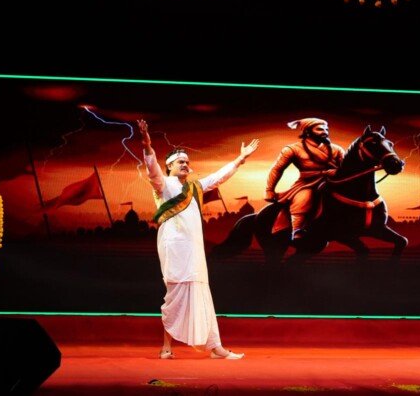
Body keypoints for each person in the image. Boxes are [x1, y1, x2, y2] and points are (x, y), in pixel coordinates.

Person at [138, 119, 259, 360]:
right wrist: (147, 143)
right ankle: (166, 347)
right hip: (174, 247)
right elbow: (152, 168)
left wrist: (240, 159)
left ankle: (216, 347)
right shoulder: (163, 184)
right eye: (180, 162)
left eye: (187, 162)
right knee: (174, 296)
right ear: (169, 166)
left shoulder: (195, 186)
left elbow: (218, 177)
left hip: (194, 249)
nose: (185, 165)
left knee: (202, 292)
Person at [265, 118, 345, 240]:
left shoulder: (336, 149)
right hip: (307, 183)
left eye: (326, 129)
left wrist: (338, 172)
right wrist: (269, 190)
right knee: (303, 198)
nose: (325, 132)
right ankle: (297, 230)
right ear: (307, 131)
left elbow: (347, 169)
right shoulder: (293, 149)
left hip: (333, 181)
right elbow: (277, 169)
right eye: (320, 129)